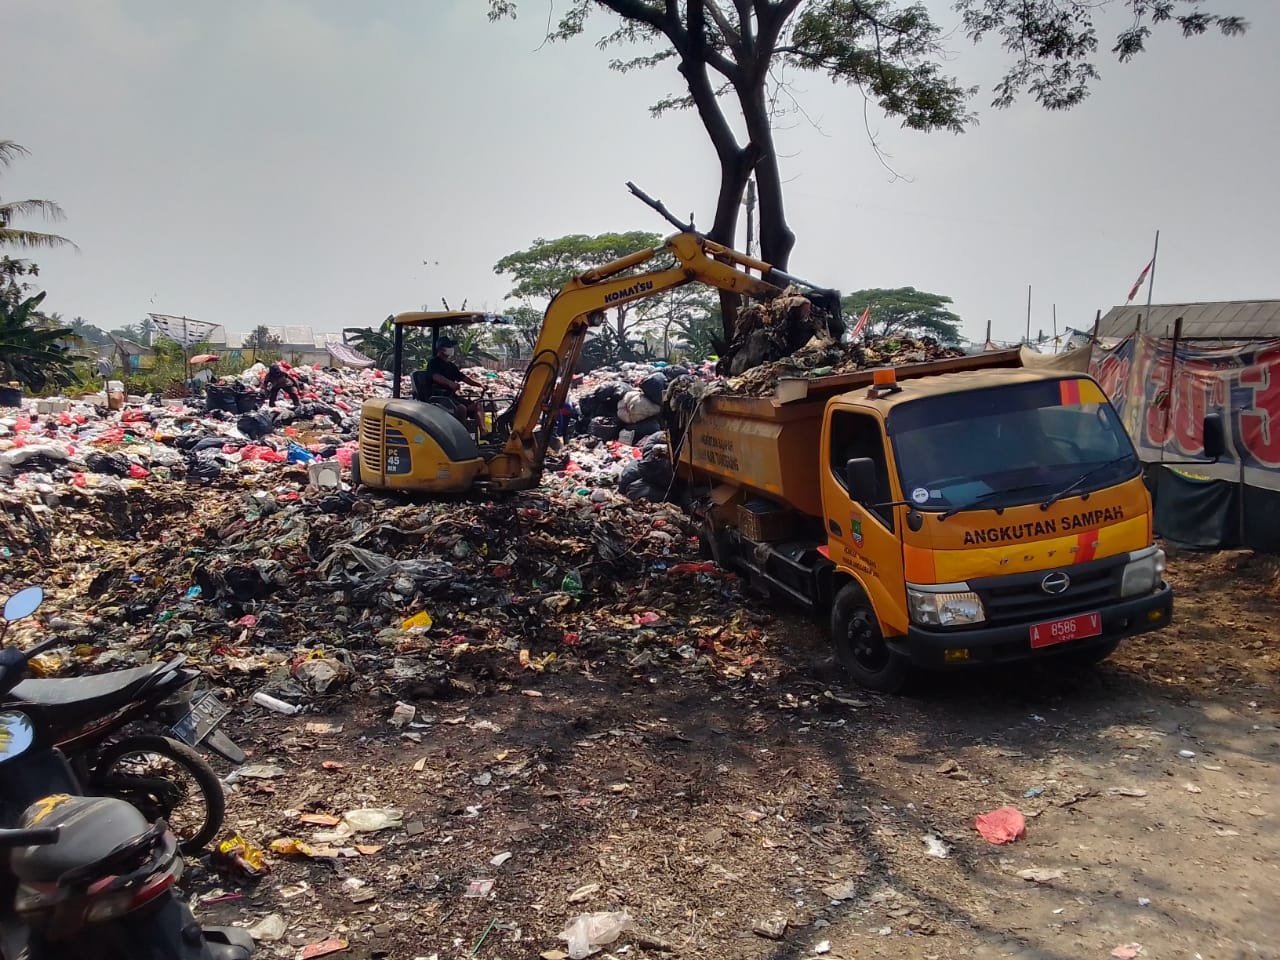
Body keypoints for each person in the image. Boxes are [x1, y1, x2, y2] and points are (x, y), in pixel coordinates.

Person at [425, 338, 484, 427]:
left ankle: (484, 432)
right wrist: (450, 383)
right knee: (462, 408)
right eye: (449, 346)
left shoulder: (451, 366)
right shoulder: (433, 363)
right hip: (439, 398)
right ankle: (461, 435)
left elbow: (463, 378)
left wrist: (479, 385)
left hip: (451, 397)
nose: (451, 349)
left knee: (477, 405)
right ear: (441, 349)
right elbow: (436, 376)